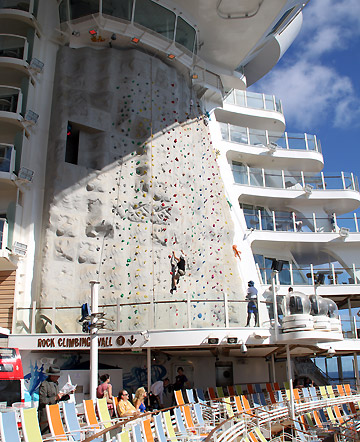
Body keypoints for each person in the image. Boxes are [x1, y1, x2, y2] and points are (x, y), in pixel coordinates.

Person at [38, 365, 69, 434]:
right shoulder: (44, 385)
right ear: (51, 376)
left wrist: (67, 394)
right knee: (46, 434)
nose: (58, 377)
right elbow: (42, 401)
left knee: (54, 433)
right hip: (45, 414)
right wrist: (55, 398)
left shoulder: (55, 384)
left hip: (53, 412)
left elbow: (57, 399)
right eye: (57, 376)